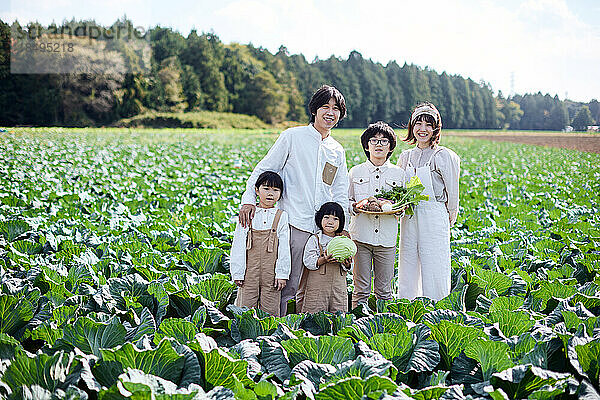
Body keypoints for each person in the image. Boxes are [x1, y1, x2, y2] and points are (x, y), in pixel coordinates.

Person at [238, 85, 350, 316]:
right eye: (325, 107)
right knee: (283, 285)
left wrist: (343, 227)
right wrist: (249, 199)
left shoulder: (336, 150)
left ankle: (300, 333)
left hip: (323, 232)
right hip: (295, 225)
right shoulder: (292, 136)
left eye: (336, 108)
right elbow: (265, 169)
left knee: (312, 289)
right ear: (314, 110)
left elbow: (340, 191)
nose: (330, 113)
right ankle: (276, 330)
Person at [396, 102, 460, 301]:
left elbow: (453, 191)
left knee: (435, 262)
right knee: (408, 261)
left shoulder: (443, 156)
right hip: (409, 215)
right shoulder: (405, 157)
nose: (423, 129)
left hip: (434, 214)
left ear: (436, 129)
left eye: (428, 124)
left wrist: (451, 214)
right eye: (418, 124)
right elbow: (398, 189)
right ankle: (407, 304)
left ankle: (436, 306)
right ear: (412, 126)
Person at [348, 121, 404, 308]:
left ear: (390, 147)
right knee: (360, 289)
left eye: (384, 141)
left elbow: (404, 205)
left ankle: (384, 329)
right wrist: (354, 207)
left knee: (385, 291)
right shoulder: (355, 171)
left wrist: (399, 209)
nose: (379, 144)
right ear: (366, 145)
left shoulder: (400, 174)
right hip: (361, 237)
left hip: (387, 240)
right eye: (374, 140)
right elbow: (346, 201)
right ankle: (356, 326)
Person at [230, 171, 290, 317]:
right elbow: (238, 244)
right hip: (248, 271)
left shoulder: (281, 216)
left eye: (276, 190)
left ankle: (268, 337)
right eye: (266, 188)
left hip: (272, 272)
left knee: (270, 308)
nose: (271, 193)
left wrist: (282, 274)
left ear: (280, 194)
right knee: (245, 306)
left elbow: (284, 247)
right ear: (256, 190)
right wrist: (238, 272)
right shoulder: (248, 213)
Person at [298, 202, 350, 313]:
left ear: (341, 223)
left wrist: (347, 264)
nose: (330, 222)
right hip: (317, 288)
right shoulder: (315, 239)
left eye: (335, 219)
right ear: (319, 219)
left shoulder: (343, 242)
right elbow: (308, 261)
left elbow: (350, 265)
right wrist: (323, 260)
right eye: (326, 217)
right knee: (315, 313)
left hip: (338, 288)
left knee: (339, 314)